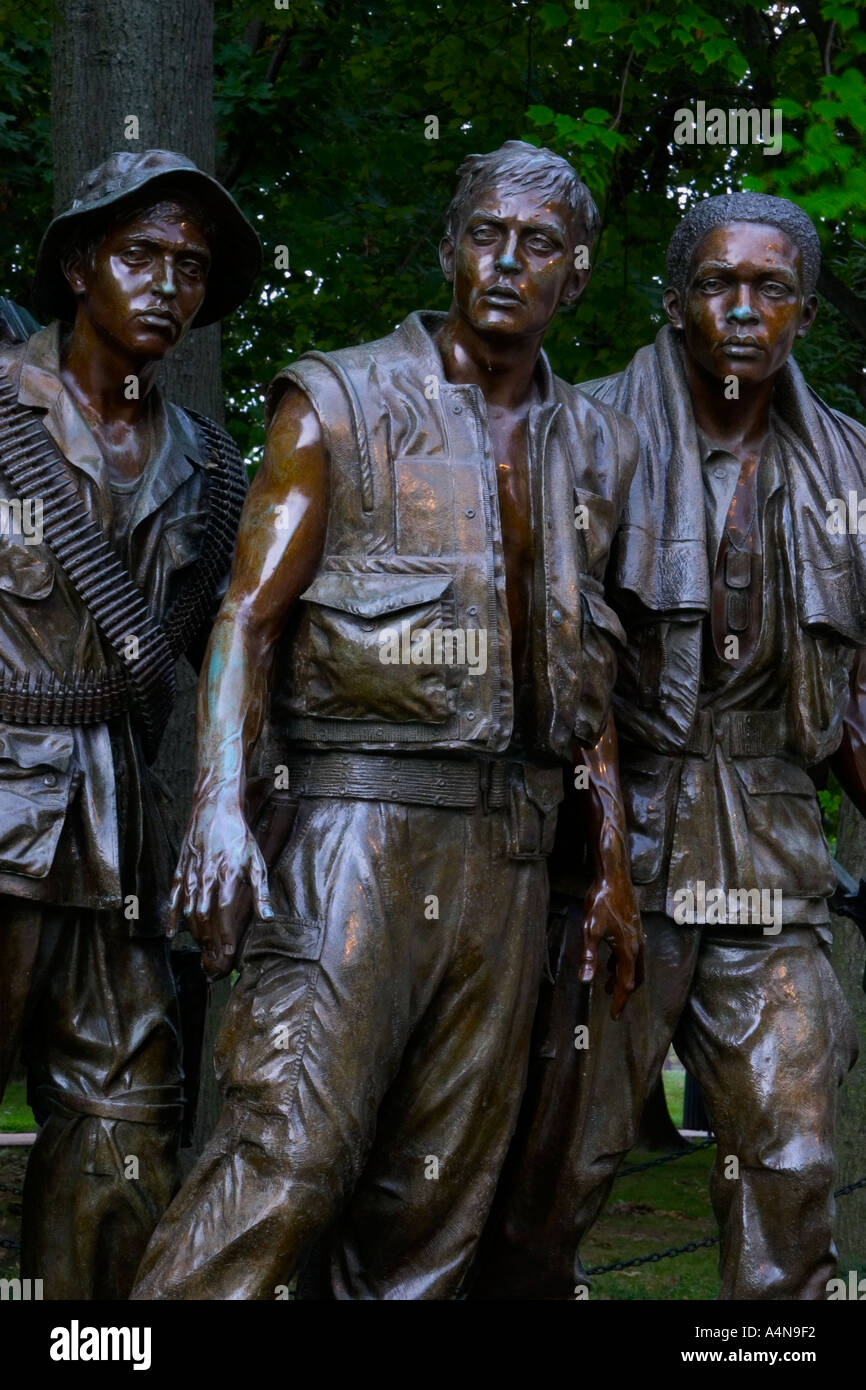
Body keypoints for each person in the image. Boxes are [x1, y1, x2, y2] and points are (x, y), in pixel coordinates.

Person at [132, 140, 642, 1301]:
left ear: (579, 272)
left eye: (539, 245)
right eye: (484, 235)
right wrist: (217, 810)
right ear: (450, 246)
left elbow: (585, 674)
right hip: (350, 829)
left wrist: (608, 861)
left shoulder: (597, 444)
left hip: (507, 859)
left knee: (435, 1202)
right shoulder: (338, 401)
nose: (506, 263)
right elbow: (244, 621)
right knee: (284, 1160)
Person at [473, 192, 864, 1301]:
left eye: (770, 288)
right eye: (716, 284)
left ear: (800, 312)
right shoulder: (584, 434)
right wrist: (597, 860)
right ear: (674, 300)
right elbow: (556, 667)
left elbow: (856, 691)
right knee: (561, 1161)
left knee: (788, 1149)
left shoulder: (850, 471)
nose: (742, 309)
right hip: (613, 843)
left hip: (773, 852)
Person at [0, 148, 260, 1299]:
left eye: (190, 268)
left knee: (123, 1125)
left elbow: (233, 650)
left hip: (120, 845)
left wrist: (239, 817)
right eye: (139, 255)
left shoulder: (209, 466)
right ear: (75, 265)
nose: (167, 284)